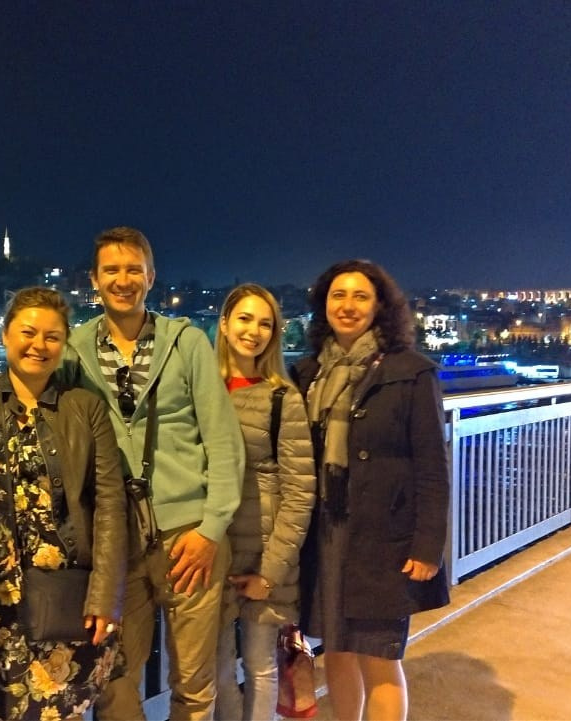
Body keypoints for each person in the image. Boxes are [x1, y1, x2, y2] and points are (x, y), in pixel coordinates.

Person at [64, 226, 245, 721]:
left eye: (133, 270)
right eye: (111, 270)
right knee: (113, 676)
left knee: (193, 680)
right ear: (94, 279)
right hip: (116, 538)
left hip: (189, 536)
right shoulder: (75, 348)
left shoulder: (185, 342)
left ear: (150, 277)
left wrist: (211, 529)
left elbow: (223, 442)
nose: (122, 280)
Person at [0, 287, 127, 721]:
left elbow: (109, 503)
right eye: (28, 332)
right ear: (5, 335)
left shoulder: (84, 408)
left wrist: (106, 596)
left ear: (64, 345)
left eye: (52, 336)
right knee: (1, 708)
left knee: (62, 710)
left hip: (68, 591)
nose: (38, 345)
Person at [289, 260, 450, 721]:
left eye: (360, 296)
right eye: (338, 295)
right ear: (324, 305)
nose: (348, 305)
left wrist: (427, 545)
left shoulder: (410, 373)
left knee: (380, 658)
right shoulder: (309, 374)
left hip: (383, 540)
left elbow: (432, 467)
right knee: (337, 652)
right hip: (324, 537)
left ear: (380, 306)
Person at [212, 283, 317, 721]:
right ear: (224, 324)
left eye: (265, 324)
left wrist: (270, 574)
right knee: (216, 671)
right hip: (211, 553)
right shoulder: (202, 390)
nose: (253, 331)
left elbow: (299, 491)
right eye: (244, 319)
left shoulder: (281, 397)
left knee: (259, 665)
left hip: (264, 553)